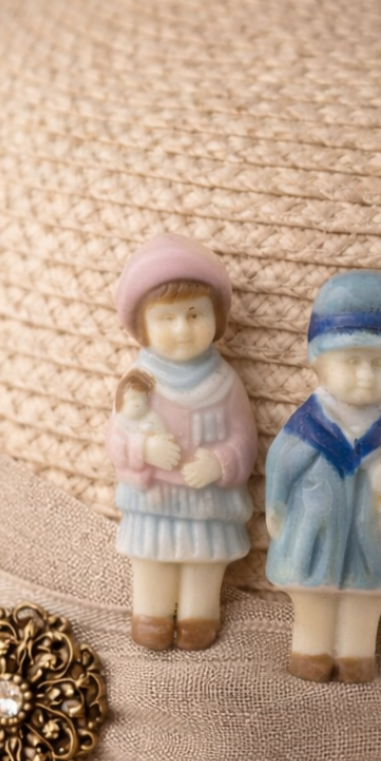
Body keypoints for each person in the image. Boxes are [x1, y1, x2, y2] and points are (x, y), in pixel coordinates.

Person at [265, 269, 381, 683]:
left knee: (364, 600)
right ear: (318, 361)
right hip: (313, 540)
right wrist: (277, 509)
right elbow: (280, 465)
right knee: (312, 600)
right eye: (351, 360)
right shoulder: (307, 427)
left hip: (370, 548)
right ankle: (310, 650)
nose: (365, 375)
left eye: (380, 363)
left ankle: (357, 654)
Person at [106, 233, 257, 651]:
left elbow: (244, 437)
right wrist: (143, 451)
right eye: (166, 319)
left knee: (202, 563)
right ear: (143, 326)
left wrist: (220, 462)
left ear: (216, 317)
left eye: (194, 315)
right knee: (153, 559)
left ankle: (198, 618)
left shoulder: (224, 381)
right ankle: (151, 617)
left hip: (206, 501)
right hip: (154, 502)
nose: (182, 330)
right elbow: (116, 440)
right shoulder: (138, 382)